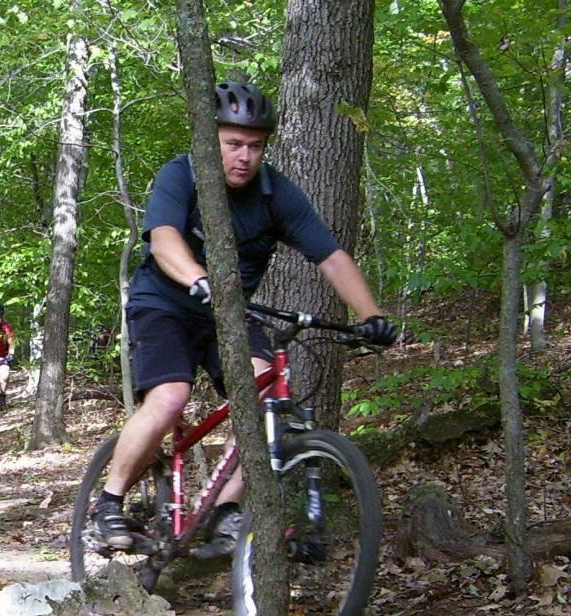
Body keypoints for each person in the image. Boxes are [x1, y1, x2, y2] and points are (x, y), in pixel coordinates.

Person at [90, 80, 398, 551]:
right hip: (164, 303)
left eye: (255, 146)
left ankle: (226, 510)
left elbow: (331, 256)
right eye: (233, 143)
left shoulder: (276, 194)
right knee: (170, 398)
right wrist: (197, 277)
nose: (244, 156)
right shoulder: (182, 174)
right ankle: (108, 504)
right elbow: (163, 238)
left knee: (263, 400)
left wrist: (370, 313)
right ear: (210, 140)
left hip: (231, 315)